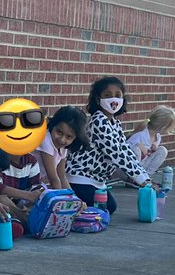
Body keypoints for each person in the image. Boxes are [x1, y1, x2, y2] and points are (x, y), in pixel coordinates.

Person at [65, 76, 153, 215]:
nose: (113, 99)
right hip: (81, 178)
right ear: (97, 99)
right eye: (107, 95)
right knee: (106, 207)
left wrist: (146, 178)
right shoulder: (98, 121)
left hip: (98, 181)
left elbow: (126, 150)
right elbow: (116, 153)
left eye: (118, 95)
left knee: (109, 206)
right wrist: (141, 181)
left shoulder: (114, 123)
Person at [35, 105, 89, 191]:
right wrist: (63, 199)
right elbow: (53, 178)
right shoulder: (46, 140)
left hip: (37, 183)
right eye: (59, 132)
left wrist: (74, 198)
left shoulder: (63, 147)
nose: (62, 139)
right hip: (24, 181)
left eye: (69, 137)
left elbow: (62, 176)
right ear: (53, 125)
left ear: (75, 138)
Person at [127, 105, 175, 179]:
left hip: (143, 166)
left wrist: (155, 149)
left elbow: (152, 153)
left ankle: (146, 177)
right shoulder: (140, 135)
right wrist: (139, 146)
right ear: (163, 127)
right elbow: (125, 149)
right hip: (130, 170)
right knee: (136, 149)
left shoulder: (157, 137)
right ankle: (134, 178)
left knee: (162, 150)